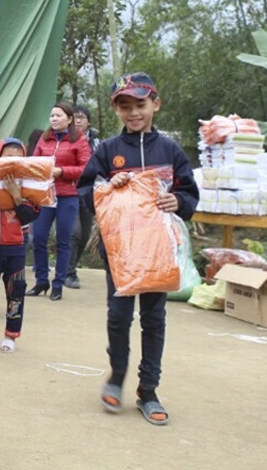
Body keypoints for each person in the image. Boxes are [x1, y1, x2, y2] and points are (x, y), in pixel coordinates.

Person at [77, 72, 199, 426]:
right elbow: (87, 192)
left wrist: (178, 201)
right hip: (120, 252)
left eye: (140, 104)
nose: (133, 112)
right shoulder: (108, 150)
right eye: (125, 106)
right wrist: (107, 186)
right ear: (116, 110)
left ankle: (148, 390)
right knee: (118, 316)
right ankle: (117, 375)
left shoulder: (170, 150)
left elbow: (189, 193)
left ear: (155, 104)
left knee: (154, 319)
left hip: (159, 251)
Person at [0, 138, 39, 354]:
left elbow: (31, 216)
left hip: (16, 248)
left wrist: (17, 197)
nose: (12, 161)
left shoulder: (30, 184)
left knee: (16, 292)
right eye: (8, 156)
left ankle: (11, 335)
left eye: (18, 157)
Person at [25, 102, 90, 301]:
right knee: (38, 238)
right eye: (52, 115)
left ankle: (58, 284)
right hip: (45, 195)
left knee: (64, 240)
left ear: (69, 119)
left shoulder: (79, 140)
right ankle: (41, 281)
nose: (54, 119)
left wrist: (62, 172)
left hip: (67, 195)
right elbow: (34, 161)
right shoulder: (44, 138)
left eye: (58, 116)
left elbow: (86, 168)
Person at [66, 105, 101, 289]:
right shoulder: (65, 139)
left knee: (85, 234)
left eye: (82, 117)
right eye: (75, 117)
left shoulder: (97, 143)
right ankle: (69, 273)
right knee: (74, 233)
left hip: (89, 191)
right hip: (68, 190)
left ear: (88, 122)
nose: (78, 120)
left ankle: (69, 268)